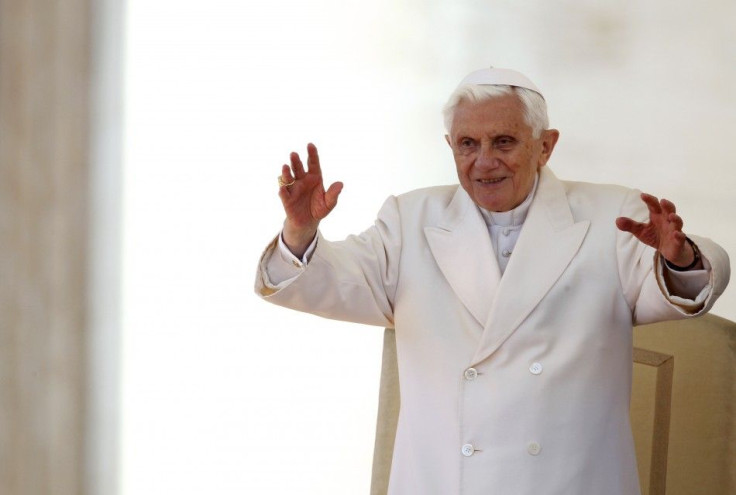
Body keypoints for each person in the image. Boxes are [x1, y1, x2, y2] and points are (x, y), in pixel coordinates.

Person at [255, 67, 730, 495]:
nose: (484, 162)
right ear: (451, 147)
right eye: (468, 144)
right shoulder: (410, 219)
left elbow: (677, 290)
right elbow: (328, 281)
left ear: (545, 145)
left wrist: (679, 257)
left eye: (503, 142)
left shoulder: (611, 215)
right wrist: (300, 231)